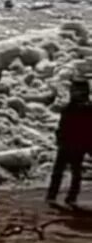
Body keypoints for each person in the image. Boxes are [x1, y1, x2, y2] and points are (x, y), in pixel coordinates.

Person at [47, 78, 90, 206]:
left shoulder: (86, 109)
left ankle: (70, 197)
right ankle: (54, 195)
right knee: (60, 171)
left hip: (77, 144)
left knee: (74, 171)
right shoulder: (70, 108)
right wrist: (60, 137)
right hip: (68, 142)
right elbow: (63, 125)